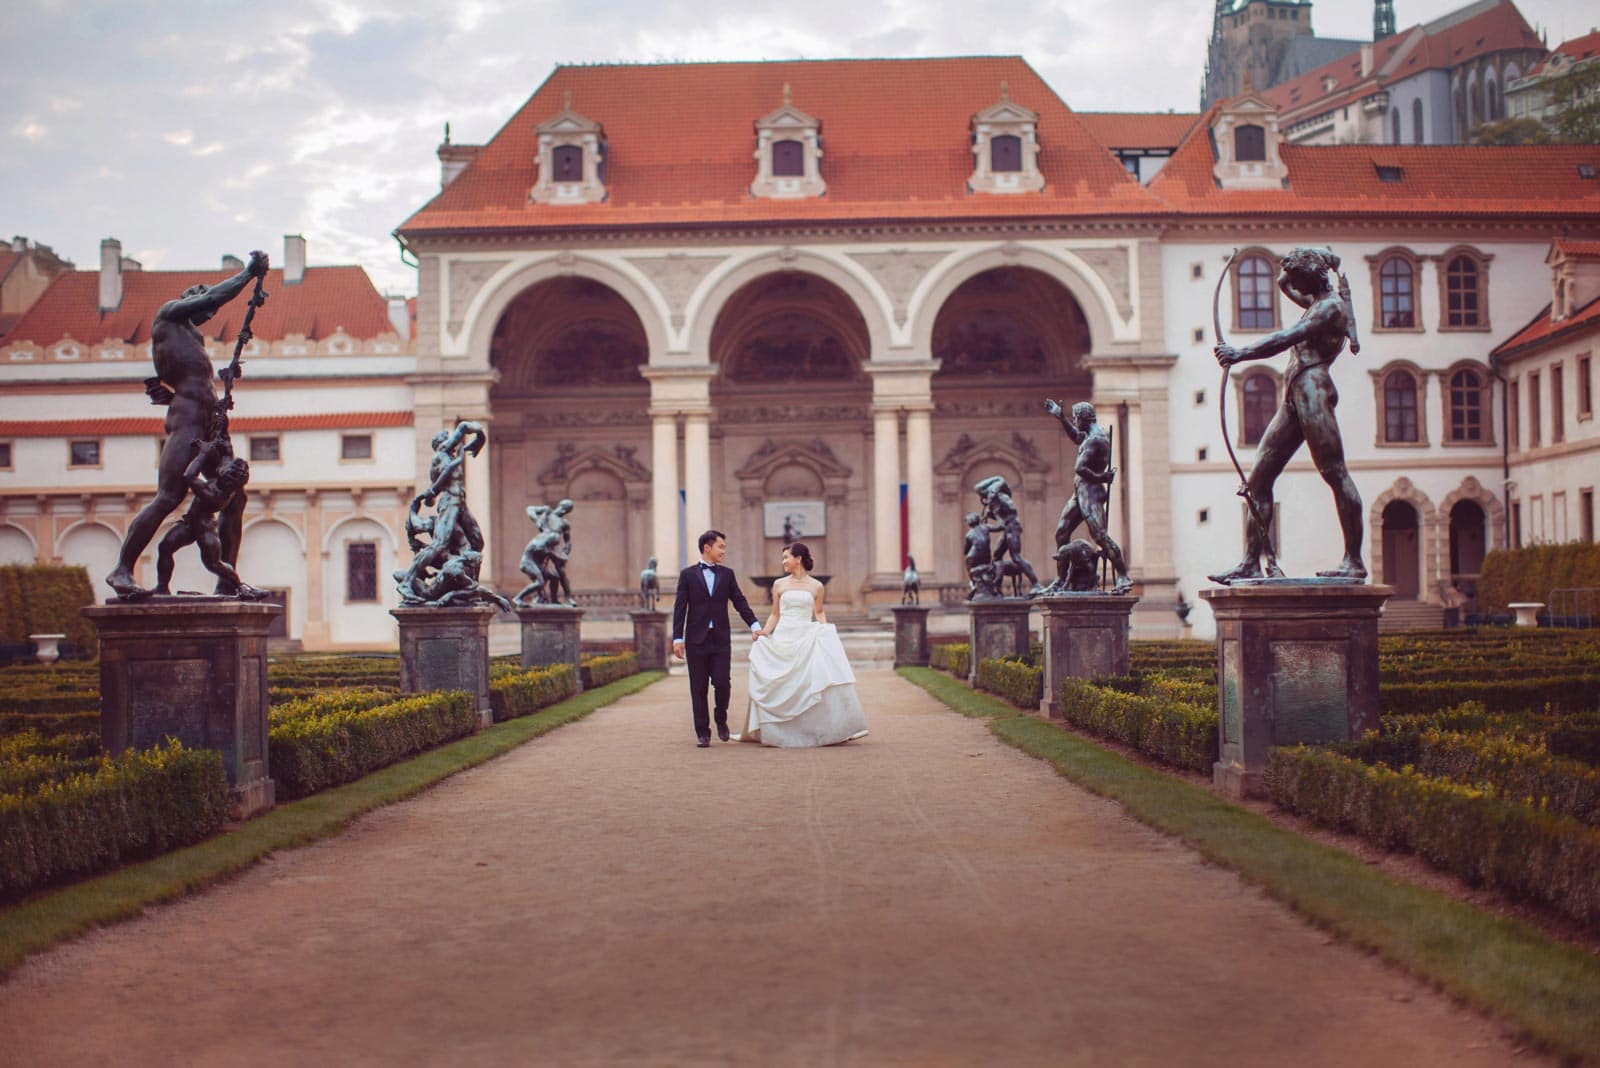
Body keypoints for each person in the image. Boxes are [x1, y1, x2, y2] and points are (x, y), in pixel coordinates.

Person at [106, 250, 269, 599]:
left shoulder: (193, 337)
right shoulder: (167, 315)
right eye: (203, 303)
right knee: (168, 497)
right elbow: (214, 296)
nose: (208, 312)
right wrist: (248, 274)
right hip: (187, 422)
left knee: (234, 496)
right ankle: (121, 569)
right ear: (188, 298)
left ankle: (227, 580)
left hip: (209, 424)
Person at [1211, 246, 1367, 584]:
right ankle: (1250, 562)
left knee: (1335, 473)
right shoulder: (1314, 302)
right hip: (1295, 393)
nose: (1292, 283)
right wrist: (1321, 258)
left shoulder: (1329, 309)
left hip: (1313, 390)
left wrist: (1240, 353)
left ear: (1311, 276)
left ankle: (1353, 561)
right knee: (1258, 481)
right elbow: (1283, 280)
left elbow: (1286, 337)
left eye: (1299, 277)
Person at [740, 542, 868, 747]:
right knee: (783, 682)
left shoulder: (816, 586)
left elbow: (818, 612)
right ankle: (779, 729)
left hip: (805, 635)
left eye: (786, 558)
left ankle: (816, 728)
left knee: (809, 681)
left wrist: (825, 632)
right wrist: (765, 632)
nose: (783, 562)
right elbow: (775, 613)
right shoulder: (779, 585)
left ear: (798, 559)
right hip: (784, 635)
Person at [672, 529, 763, 748]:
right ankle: (702, 732)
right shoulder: (687, 575)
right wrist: (677, 638)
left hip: (720, 639)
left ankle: (721, 719)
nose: (723, 551)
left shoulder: (727, 574)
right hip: (696, 640)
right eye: (720, 546)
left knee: (723, 683)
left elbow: (739, 601)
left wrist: (754, 624)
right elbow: (680, 608)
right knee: (698, 687)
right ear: (707, 547)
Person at [151, 439, 261, 598]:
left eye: (227, 471)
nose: (223, 469)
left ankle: (240, 586)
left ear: (229, 480)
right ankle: (162, 588)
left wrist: (203, 454)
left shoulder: (216, 494)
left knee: (214, 564)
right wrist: (221, 446)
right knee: (165, 547)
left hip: (204, 528)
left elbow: (189, 476)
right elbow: (225, 458)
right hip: (190, 523)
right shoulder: (224, 480)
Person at [1043, 399, 1131, 593]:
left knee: (1100, 536)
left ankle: (1123, 576)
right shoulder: (1090, 435)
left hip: (1090, 493)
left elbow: (1080, 468)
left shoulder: (1096, 440)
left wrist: (1101, 477)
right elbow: (1076, 437)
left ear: (1083, 418)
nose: (1074, 422)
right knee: (1062, 532)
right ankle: (1061, 579)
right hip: (1080, 491)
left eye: (1075, 418)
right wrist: (1061, 418)